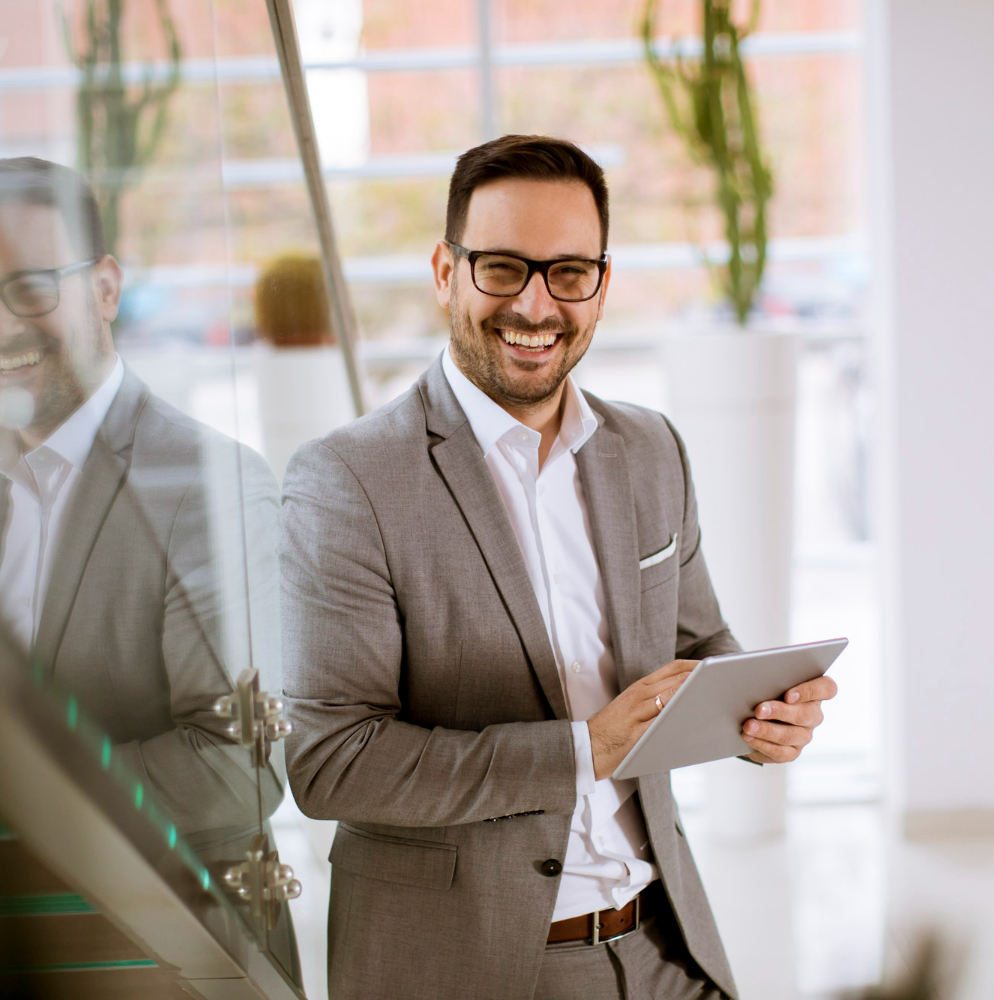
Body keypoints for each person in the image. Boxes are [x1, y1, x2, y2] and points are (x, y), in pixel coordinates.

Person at [281, 135, 837, 1000]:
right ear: (445, 271)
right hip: (476, 967)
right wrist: (586, 750)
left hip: (664, 947)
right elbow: (331, 762)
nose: (537, 306)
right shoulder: (348, 481)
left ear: (603, 285)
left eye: (569, 272)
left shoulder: (650, 448)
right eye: (502, 268)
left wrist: (763, 714)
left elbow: (698, 643)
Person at [0, 157, 297, 974]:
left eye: (29, 288)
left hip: (174, 955)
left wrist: (9, 783)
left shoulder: (207, 485)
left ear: (104, 288)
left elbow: (240, 770)